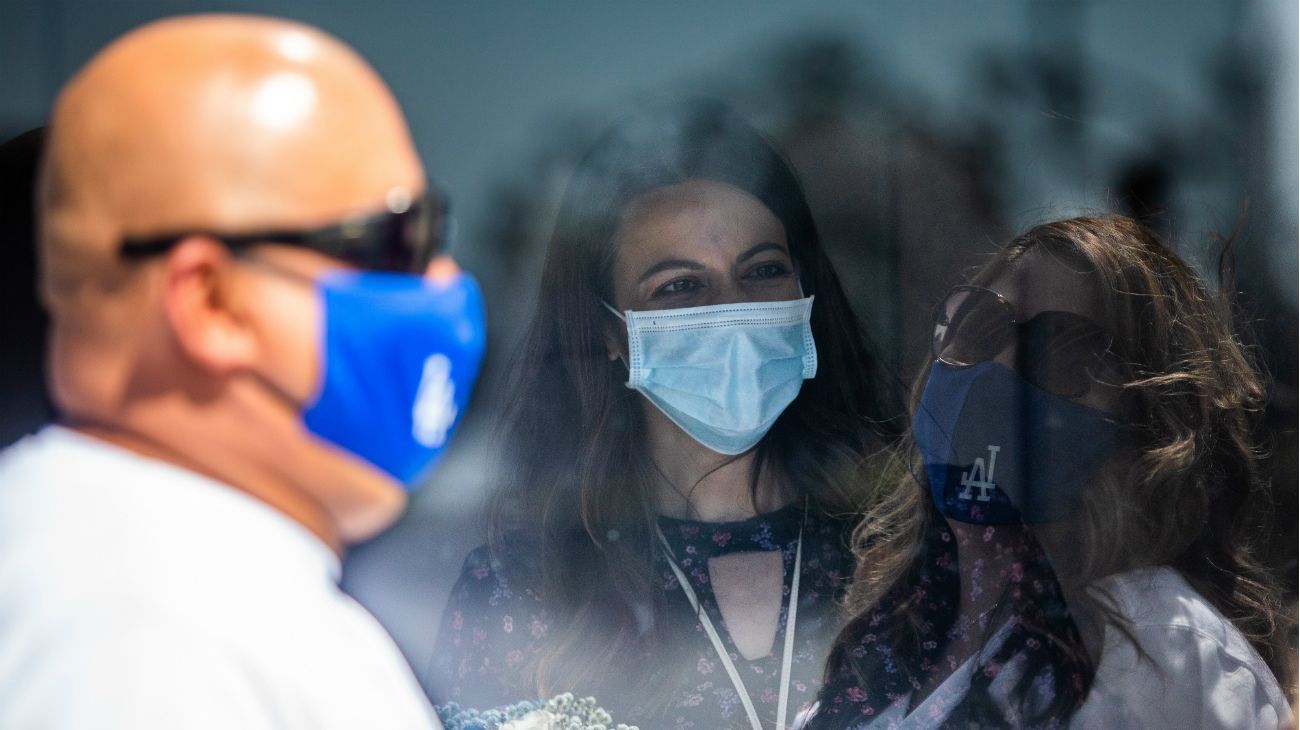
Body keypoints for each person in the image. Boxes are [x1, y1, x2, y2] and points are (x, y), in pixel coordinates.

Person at [0, 15, 486, 729]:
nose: (443, 281)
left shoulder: (192, 575)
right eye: (392, 242)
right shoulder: (144, 632)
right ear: (211, 301)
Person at [427, 101, 896, 729]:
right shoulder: (522, 589)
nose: (732, 309)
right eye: (678, 285)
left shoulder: (900, 556)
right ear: (610, 331)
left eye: (763, 270)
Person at [806, 215, 1295, 728]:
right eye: (975, 329)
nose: (996, 370)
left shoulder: (1159, 643)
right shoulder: (896, 637)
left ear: (1149, 421)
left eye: (1063, 349)